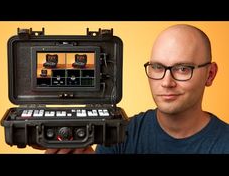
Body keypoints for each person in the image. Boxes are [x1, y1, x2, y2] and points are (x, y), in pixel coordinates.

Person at [45, 24, 229, 154]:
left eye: (182, 69)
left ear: (210, 74)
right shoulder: (120, 134)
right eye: (157, 67)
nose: (166, 82)